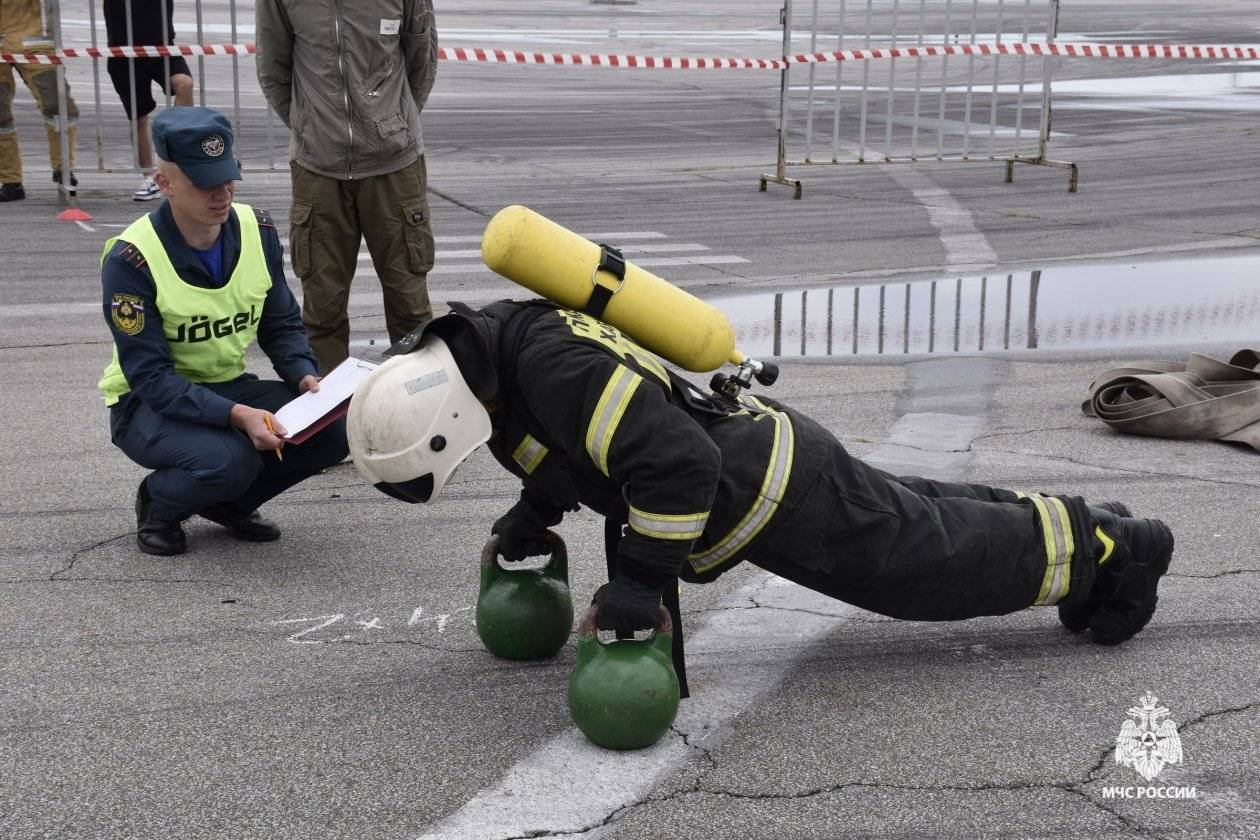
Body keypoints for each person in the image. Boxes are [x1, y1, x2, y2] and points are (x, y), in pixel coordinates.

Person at [348, 300, 1174, 646]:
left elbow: (675, 467)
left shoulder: (546, 370)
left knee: (930, 565)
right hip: (763, 456)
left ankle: (1114, 551)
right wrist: (539, 511)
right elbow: (581, 448)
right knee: (927, 517)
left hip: (765, 488)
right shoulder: (498, 352)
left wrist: (638, 584)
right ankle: (1086, 535)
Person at [98, 107, 349, 556]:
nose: (222, 193)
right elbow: (151, 378)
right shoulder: (131, 259)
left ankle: (229, 505)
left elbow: (281, 322)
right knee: (226, 461)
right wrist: (239, 415)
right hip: (146, 405)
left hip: (227, 387)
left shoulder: (258, 230)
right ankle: (158, 502)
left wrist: (303, 376)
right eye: (204, 182)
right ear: (165, 183)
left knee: (330, 431)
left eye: (227, 177)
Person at [255, 0, 439, 374]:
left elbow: (423, 58)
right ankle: (327, 421)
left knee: (410, 306)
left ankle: (417, 409)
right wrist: (313, 129)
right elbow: (273, 68)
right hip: (318, 170)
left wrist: (390, 124)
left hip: (394, 166)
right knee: (322, 311)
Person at [103, 0, 196, 201]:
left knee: (184, 84)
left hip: (161, 47)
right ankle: (149, 176)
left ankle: (176, 156)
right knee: (139, 118)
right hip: (124, 52)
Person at [0, 0, 79, 202]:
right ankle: (11, 182)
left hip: (36, 44)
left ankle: (64, 169)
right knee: (0, 116)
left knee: (58, 105)